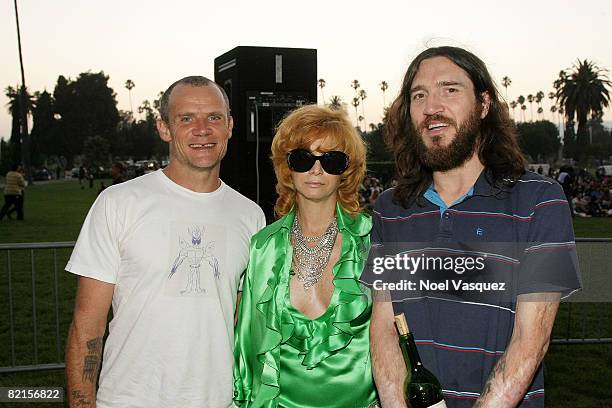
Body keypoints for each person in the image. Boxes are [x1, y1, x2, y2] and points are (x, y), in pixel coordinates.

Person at [362, 46, 581, 407]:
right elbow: (385, 329)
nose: (432, 106)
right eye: (419, 95)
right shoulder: (390, 210)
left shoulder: (542, 201)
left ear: (483, 105)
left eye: (450, 89)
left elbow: (531, 340)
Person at [65, 76, 266, 408]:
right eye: (186, 118)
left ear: (229, 126)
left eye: (214, 117)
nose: (203, 129)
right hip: (128, 400)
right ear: (164, 128)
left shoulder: (250, 215)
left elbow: (236, 318)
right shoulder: (119, 203)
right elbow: (87, 325)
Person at [233, 105, 379, 407]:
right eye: (303, 158)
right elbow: (247, 345)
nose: (316, 170)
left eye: (332, 160)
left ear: (346, 172)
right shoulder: (263, 247)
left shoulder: (373, 241)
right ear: (288, 167)